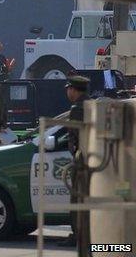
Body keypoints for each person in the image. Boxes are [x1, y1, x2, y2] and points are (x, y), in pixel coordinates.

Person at [60, 75, 90, 248]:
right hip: (93, 161)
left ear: (72, 89)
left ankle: (78, 235)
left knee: (77, 199)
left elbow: (77, 136)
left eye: (68, 89)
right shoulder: (92, 105)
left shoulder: (77, 109)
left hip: (81, 161)